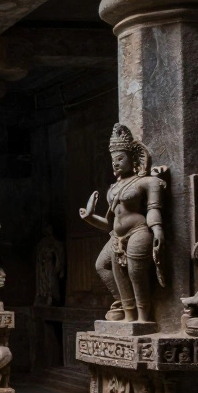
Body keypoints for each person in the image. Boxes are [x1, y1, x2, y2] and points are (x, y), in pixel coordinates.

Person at [80, 123, 166, 323]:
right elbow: (109, 224)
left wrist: (158, 229)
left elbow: (153, 209)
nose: (115, 163)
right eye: (113, 160)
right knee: (104, 267)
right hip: (116, 235)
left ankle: (143, 317)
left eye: (120, 158)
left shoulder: (146, 182)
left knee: (136, 272)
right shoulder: (114, 188)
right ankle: (127, 312)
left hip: (138, 231)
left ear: (133, 158)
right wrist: (90, 216)